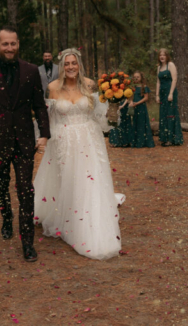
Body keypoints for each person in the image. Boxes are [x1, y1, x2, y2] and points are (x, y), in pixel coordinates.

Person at [0, 25, 50, 262]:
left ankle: (27, 241)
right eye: (5, 44)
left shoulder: (31, 71)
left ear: (18, 44)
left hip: (24, 141)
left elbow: (39, 105)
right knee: (0, 186)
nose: (9, 48)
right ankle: (6, 217)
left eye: (13, 43)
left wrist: (44, 133)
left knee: (26, 190)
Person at [34, 48, 124, 260]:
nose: (71, 67)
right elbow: (48, 118)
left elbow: (100, 117)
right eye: (67, 63)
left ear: (79, 64)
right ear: (62, 66)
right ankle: (67, 217)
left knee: (89, 181)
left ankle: (89, 223)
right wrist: (46, 140)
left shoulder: (91, 85)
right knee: (68, 182)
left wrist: (113, 109)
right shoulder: (53, 87)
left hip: (89, 140)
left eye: (74, 63)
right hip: (63, 141)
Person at [156, 49, 184, 146]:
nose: (162, 57)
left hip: (170, 91)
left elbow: (174, 79)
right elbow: (158, 82)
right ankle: (164, 137)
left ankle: (172, 139)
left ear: (167, 56)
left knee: (170, 114)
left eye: (164, 55)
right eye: (160, 55)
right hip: (162, 93)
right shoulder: (159, 67)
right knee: (163, 114)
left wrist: (171, 93)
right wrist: (157, 95)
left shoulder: (171, 65)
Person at [129, 71, 155, 148]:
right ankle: (135, 142)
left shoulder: (144, 87)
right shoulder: (132, 87)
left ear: (141, 78)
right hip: (134, 107)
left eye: (138, 77)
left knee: (141, 123)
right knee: (135, 123)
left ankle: (142, 142)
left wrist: (137, 103)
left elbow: (146, 98)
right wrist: (131, 102)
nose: (136, 78)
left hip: (141, 107)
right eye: (135, 77)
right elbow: (130, 97)